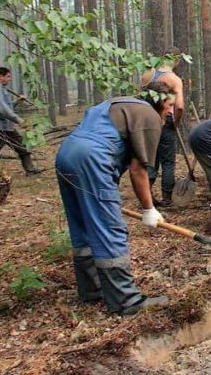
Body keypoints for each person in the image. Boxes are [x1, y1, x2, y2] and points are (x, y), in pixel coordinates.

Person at [55, 80, 174, 316]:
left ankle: (91, 290)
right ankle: (126, 301)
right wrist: (149, 209)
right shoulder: (149, 116)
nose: (171, 111)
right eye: (169, 105)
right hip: (92, 160)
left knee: (82, 225)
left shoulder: (121, 103)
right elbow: (139, 169)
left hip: (66, 154)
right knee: (109, 228)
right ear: (158, 101)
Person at [0, 67, 43, 182]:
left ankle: (30, 170)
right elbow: (3, 110)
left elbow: (6, 106)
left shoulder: (0, 88)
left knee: (22, 148)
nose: (9, 79)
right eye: (8, 76)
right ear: (1, 76)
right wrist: (19, 120)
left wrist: (17, 101)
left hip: (7, 126)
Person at [139, 46, 185, 208]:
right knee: (168, 162)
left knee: (150, 159)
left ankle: (146, 195)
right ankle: (167, 198)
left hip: (146, 122)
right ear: (177, 60)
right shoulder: (174, 79)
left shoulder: (147, 74)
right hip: (166, 121)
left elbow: (140, 98)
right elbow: (179, 106)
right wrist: (176, 123)